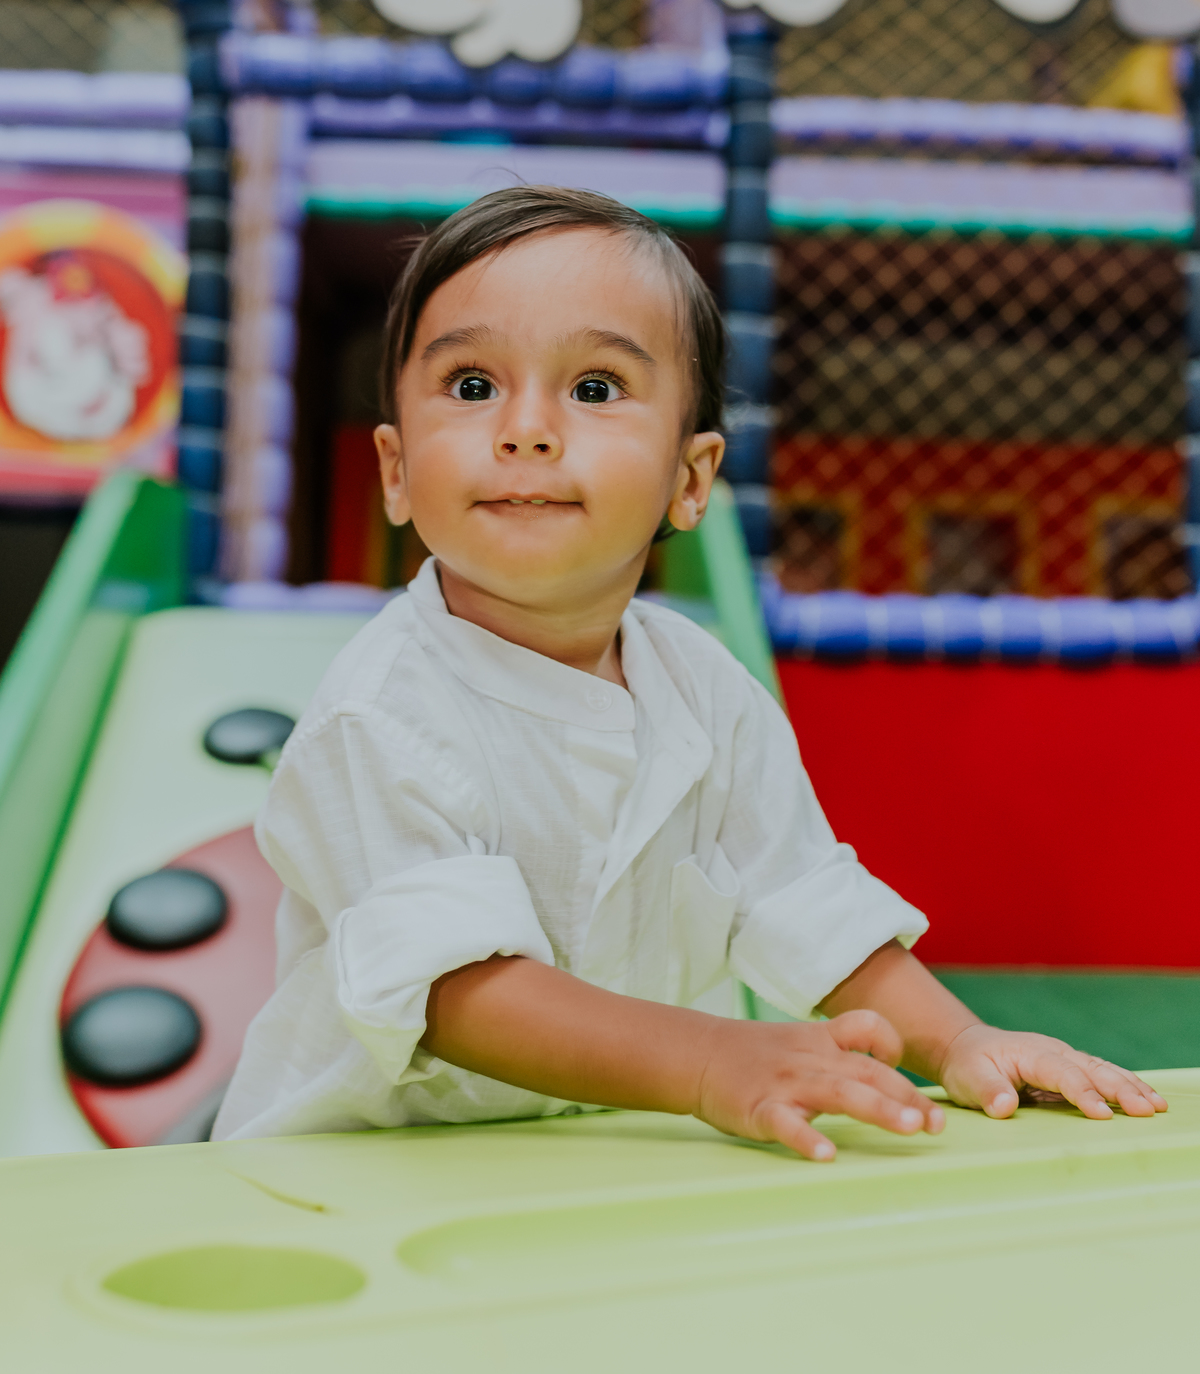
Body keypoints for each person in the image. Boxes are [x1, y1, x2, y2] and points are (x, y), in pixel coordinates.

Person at [214, 186, 1164, 1157]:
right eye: (471, 385)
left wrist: (960, 1038)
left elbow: (800, 895)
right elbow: (458, 990)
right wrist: (714, 1062)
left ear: (691, 478)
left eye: (592, 388)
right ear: (396, 469)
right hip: (352, 1177)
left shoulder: (702, 689)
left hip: (593, 1159)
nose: (527, 428)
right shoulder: (381, 713)